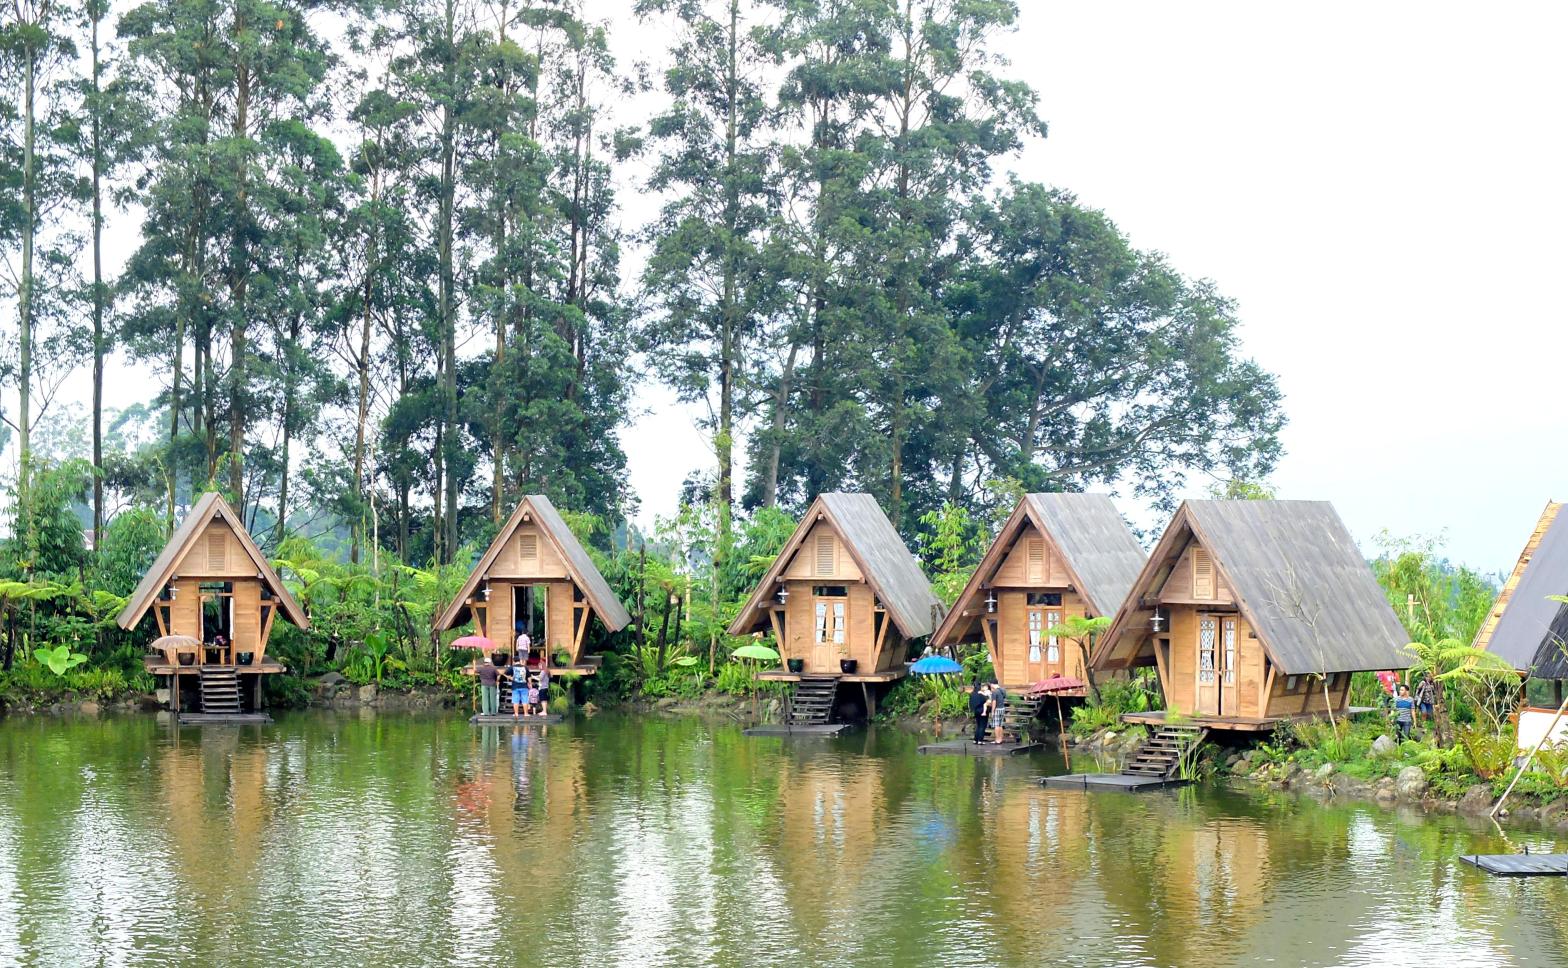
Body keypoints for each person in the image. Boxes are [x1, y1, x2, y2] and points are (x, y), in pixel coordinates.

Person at [508, 651, 529, 719]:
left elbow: (504, 673)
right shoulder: (525, 667)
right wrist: (530, 683)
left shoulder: (512, 667)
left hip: (515, 686)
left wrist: (510, 677)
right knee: (525, 700)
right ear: (520, 660)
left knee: (515, 700)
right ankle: (526, 713)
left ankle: (516, 713)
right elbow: (529, 677)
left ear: (513, 661)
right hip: (524, 686)